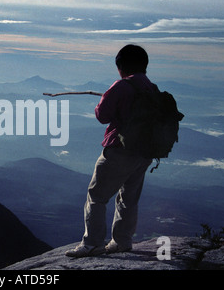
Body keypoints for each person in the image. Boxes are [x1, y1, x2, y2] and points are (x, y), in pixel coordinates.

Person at [65, 44, 156, 257]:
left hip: (119, 150)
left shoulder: (121, 86)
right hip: (144, 152)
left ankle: (92, 243)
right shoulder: (151, 88)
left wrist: (104, 100)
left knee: (96, 196)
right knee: (128, 197)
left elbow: (102, 116)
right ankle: (122, 241)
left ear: (121, 66)